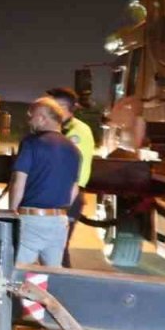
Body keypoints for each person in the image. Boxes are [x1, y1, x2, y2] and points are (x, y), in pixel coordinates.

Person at [9, 97, 82, 267]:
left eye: (31, 116)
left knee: (17, 272)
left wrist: (12, 210)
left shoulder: (31, 143)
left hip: (32, 219)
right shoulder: (74, 149)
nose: (29, 120)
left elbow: (19, 181)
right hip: (59, 221)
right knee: (52, 273)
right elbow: (74, 189)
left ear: (42, 118)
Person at [45, 87, 96, 267]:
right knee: (52, 248)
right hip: (59, 195)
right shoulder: (62, 129)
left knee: (58, 248)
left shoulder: (77, 131)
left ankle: (61, 289)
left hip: (67, 196)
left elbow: (72, 169)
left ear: (61, 107)